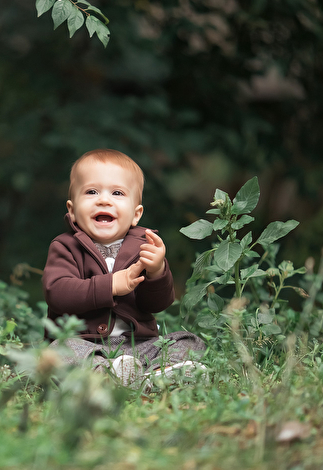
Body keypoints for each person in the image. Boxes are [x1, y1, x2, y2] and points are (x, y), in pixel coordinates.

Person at [42, 149, 206, 388]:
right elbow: (58, 293)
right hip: (84, 344)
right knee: (59, 350)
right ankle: (106, 375)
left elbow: (157, 304)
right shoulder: (65, 247)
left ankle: (158, 374)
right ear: (72, 210)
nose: (104, 200)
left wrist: (157, 272)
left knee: (188, 341)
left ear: (136, 214)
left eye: (117, 193)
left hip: (138, 345)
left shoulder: (144, 247)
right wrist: (111, 285)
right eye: (91, 192)